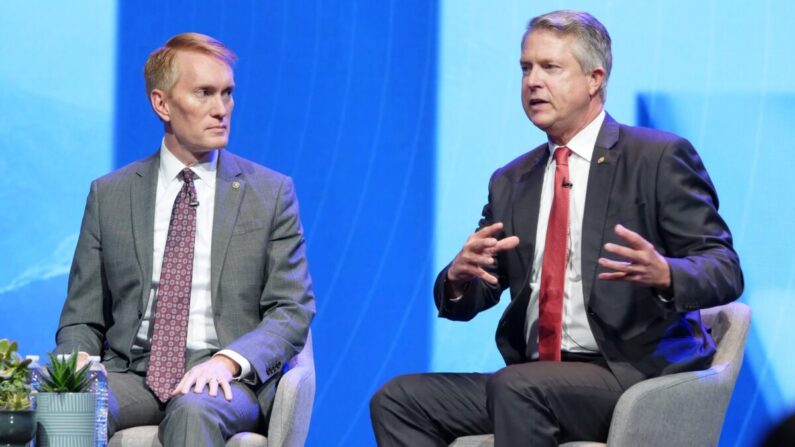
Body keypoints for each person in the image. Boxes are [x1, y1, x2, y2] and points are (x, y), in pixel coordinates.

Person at [370, 10, 743, 447]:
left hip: (629, 374)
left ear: (594, 79)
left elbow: (725, 269)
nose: (532, 81)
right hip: (537, 376)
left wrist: (666, 274)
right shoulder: (512, 179)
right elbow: (478, 295)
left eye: (550, 67)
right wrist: (457, 278)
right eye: (526, 68)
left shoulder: (657, 158)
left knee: (519, 387)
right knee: (397, 400)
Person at [55, 33, 315, 446]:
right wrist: (81, 362)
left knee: (193, 409)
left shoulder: (269, 193)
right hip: (132, 372)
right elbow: (81, 318)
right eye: (205, 94)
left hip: (222, 382)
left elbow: (291, 310)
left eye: (227, 94)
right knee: (69, 402)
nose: (221, 109)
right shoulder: (110, 195)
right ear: (162, 104)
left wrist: (228, 362)